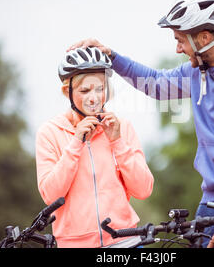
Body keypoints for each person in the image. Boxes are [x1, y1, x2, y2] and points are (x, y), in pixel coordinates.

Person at [68, 0, 214, 248]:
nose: (177, 48)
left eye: (180, 40)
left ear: (204, 38)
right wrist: (112, 58)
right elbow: (156, 84)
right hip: (213, 204)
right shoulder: (200, 72)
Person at [35, 46, 154, 248]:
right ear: (67, 91)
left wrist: (117, 141)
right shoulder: (49, 133)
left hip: (125, 240)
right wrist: (75, 144)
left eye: (100, 89)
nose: (94, 98)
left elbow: (143, 189)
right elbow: (51, 195)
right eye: (85, 90)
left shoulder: (122, 128)